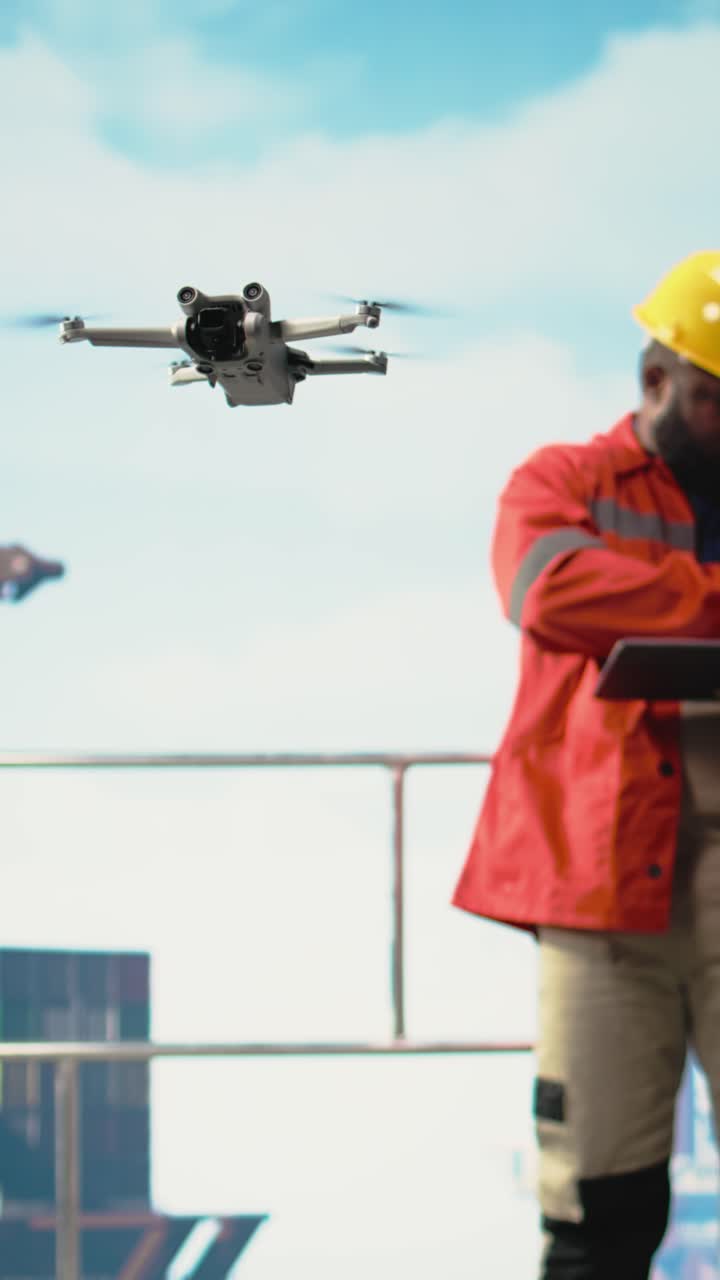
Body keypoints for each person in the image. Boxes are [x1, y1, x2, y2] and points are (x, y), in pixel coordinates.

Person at [452, 250, 720, 1279]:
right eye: (715, 398)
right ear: (656, 381)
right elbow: (548, 588)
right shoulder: (561, 482)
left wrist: (653, 599)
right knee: (599, 1205)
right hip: (602, 885)